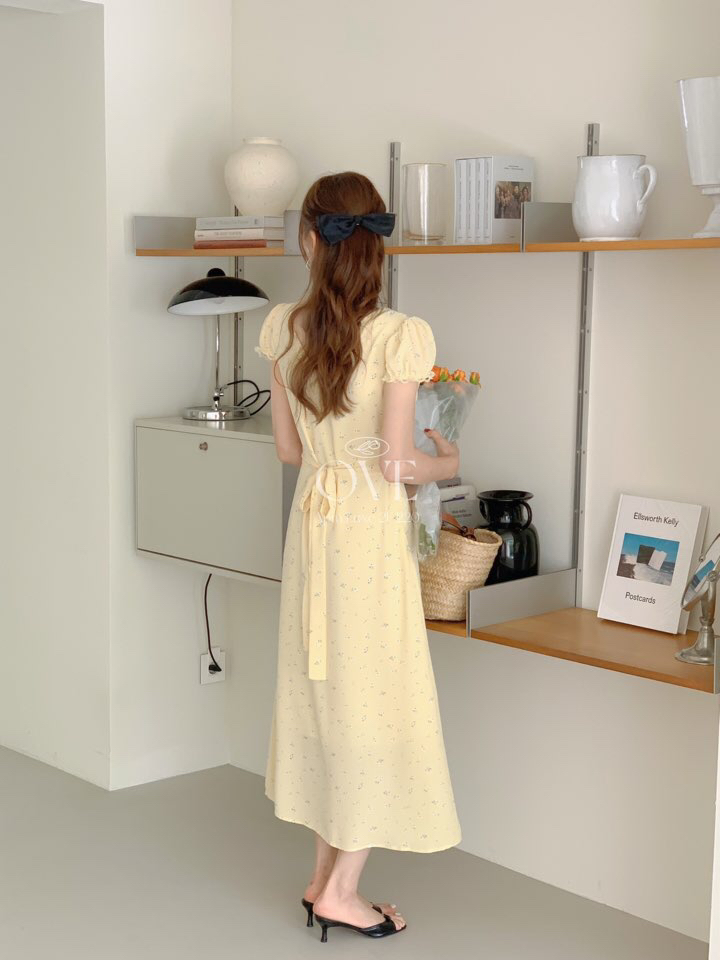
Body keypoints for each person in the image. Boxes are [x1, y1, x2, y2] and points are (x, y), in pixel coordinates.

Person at [254, 171, 462, 942]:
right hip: (369, 533)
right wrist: (449, 461)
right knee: (378, 699)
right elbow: (399, 463)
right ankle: (342, 890)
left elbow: (288, 450)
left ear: (310, 239)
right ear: (378, 245)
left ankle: (322, 880)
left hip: (313, 525)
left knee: (325, 695)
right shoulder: (401, 334)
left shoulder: (283, 328)